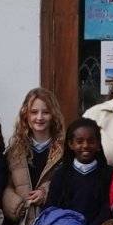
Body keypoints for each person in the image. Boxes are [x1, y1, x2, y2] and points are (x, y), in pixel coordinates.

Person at [44, 117, 113, 225]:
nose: (85, 145)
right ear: (70, 144)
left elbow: (109, 208)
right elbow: (51, 207)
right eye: (79, 141)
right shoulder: (61, 174)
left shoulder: (110, 174)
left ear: (98, 144)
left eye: (91, 141)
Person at [8, 88, 69, 216]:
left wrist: (45, 191)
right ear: (26, 114)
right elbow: (6, 186)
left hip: (51, 219)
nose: (39, 117)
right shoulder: (15, 151)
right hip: (21, 224)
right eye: (34, 112)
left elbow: (68, 182)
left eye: (46, 112)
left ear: (53, 115)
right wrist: (15, 205)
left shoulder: (65, 150)